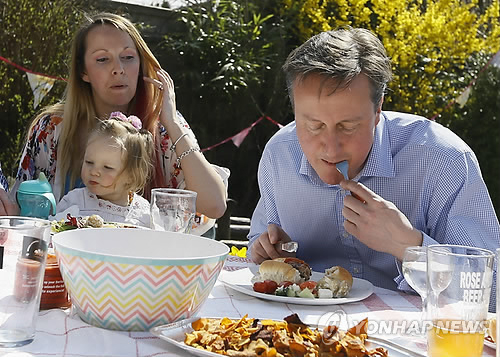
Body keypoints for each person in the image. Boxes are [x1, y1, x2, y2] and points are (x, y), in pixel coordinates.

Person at [247, 28, 500, 308]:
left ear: (378, 108)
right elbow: (258, 249)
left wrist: (410, 247)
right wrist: (265, 251)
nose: (331, 149)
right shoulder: (279, 155)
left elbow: (489, 292)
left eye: (348, 126)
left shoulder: (443, 160)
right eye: (313, 126)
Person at [0, 12, 228, 225]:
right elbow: (23, 211)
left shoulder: (165, 127)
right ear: (83, 72)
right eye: (102, 60)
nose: (118, 69)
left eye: (128, 57)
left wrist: (174, 124)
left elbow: (214, 206)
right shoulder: (51, 128)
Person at [52, 113, 153, 227]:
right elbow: (54, 232)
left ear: (131, 175)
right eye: (89, 162)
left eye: (107, 167)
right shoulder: (74, 202)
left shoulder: (144, 214)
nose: (94, 172)